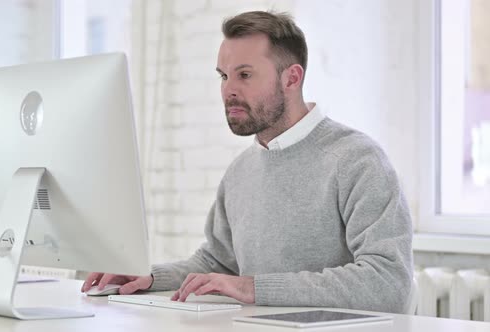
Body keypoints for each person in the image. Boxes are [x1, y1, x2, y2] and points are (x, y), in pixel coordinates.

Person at [81, 10, 413, 314]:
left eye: (245, 75)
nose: (229, 90)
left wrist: (254, 287)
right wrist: (151, 276)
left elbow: (387, 281)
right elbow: (218, 262)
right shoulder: (241, 171)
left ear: (291, 79)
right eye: (223, 76)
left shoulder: (357, 160)